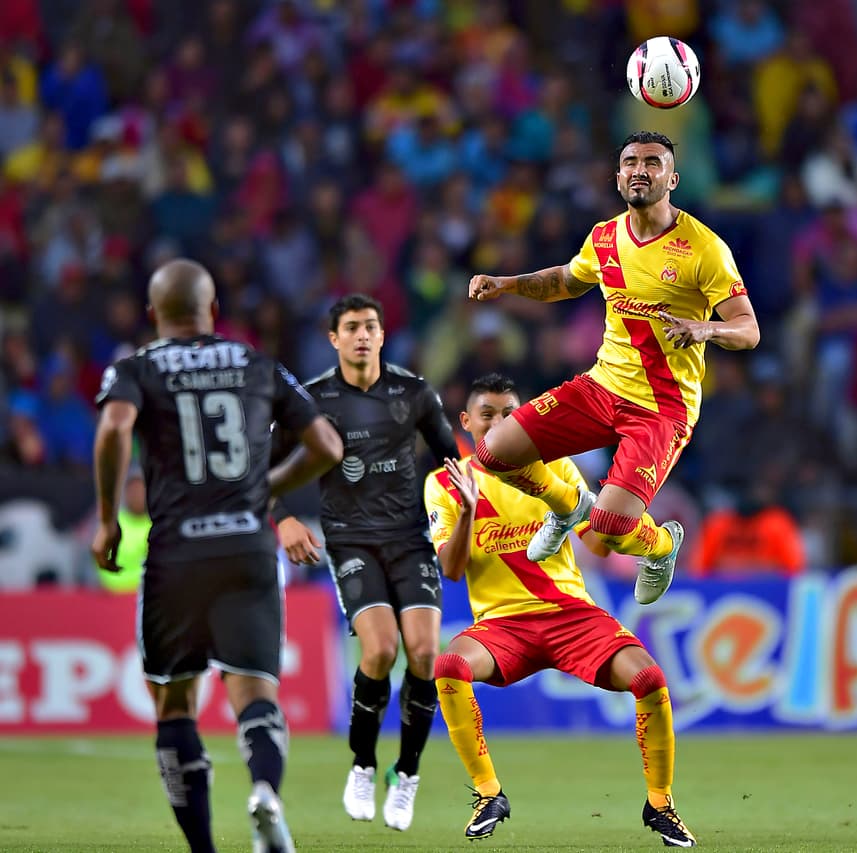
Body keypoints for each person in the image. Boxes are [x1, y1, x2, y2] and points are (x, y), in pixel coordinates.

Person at [91, 259, 343, 853]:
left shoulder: (137, 368)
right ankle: (265, 792)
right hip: (249, 545)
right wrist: (267, 489)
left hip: (177, 551)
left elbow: (112, 430)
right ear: (214, 312)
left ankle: (203, 847)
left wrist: (106, 519)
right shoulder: (256, 364)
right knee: (254, 694)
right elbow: (327, 444)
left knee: (175, 701)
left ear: (153, 315)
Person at [466, 130, 759, 606]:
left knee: (610, 529)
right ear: (618, 176)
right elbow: (564, 280)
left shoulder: (705, 248)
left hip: (662, 409)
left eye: (652, 162)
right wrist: (507, 284)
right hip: (600, 388)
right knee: (493, 454)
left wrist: (706, 330)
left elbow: (749, 330)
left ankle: (661, 547)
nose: (640, 169)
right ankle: (566, 504)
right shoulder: (604, 237)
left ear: (672, 178)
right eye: (630, 161)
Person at [425, 373, 696, 847]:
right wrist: (467, 511)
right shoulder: (444, 483)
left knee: (649, 679)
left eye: (510, 413)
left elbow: (598, 542)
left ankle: (661, 805)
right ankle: (489, 795)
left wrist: (621, 517)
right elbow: (451, 570)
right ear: (466, 422)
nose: (499, 424)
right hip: (501, 625)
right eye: (487, 415)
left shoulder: (553, 467)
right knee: (449, 665)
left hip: (571, 614)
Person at [273, 294, 459, 831]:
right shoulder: (310, 400)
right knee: (380, 650)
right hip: (351, 542)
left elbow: (452, 462)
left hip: (410, 539)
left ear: (382, 336)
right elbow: (260, 468)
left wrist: (468, 510)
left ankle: (407, 775)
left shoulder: (415, 393)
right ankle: (362, 764)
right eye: (351, 327)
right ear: (333, 339)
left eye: (370, 327)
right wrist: (283, 518)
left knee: (424, 651)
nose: (361, 335)